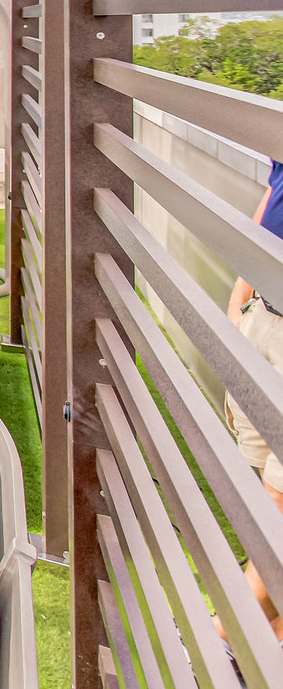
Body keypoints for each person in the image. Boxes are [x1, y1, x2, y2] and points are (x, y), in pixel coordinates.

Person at [222, 159, 283, 644]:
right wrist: (240, 298)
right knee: (260, 477)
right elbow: (274, 190)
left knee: (279, 497)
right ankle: (269, 636)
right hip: (263, 310)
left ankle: (228, 636)